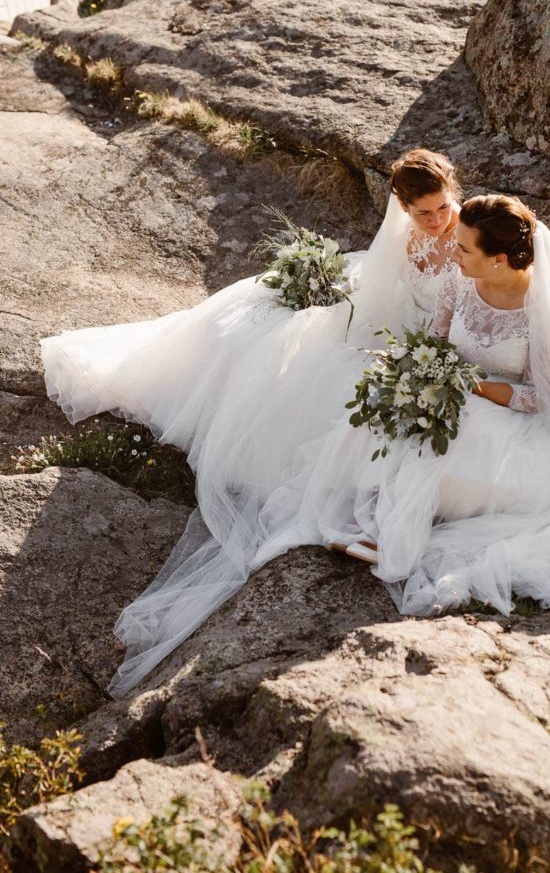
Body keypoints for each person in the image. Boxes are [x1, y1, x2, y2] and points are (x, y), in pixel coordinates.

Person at [40, 148, 463, 696]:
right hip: (398, 332)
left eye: (442, 207)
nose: (436, 221)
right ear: (403, 209)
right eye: (424, 213)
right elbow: (383, 306)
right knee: (297, 368)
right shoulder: (403, 241)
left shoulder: (470, 228)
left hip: (446, 340)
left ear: (454, 192)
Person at [255, 194, 550, 619]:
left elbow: (543, 397)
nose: (454, 252)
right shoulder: (459, 280)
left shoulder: (544, 310)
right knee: (381, 411)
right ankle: (373, 515)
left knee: (456, 439)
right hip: (452, 387)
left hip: (512, 415)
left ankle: (390, 530)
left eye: (464, 248)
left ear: (499, 258)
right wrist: (414, 372)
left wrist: (471, 385)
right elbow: (435, 340)